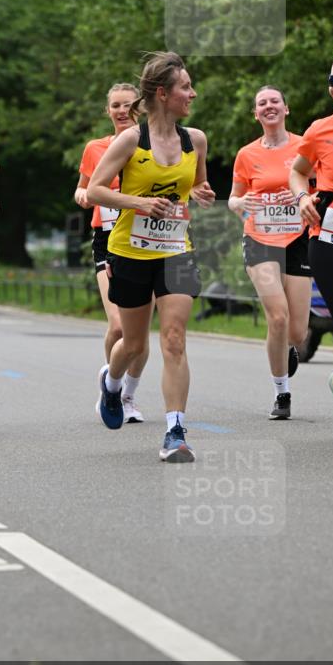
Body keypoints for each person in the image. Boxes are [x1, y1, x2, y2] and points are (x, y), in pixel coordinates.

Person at [87, 52, 215, 462]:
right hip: (129, 250)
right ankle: (111, 382)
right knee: (133, 343)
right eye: (185, 87)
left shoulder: (195, 140)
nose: (192, 93)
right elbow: (95, 190)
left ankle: (175, 431)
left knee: (174, 339)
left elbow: (196, 184)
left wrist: (200, 193)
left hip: (176, 249)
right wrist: (137, 203)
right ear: (163, 93)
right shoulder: (131, 140)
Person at [228, 86, 310, 420]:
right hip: (260, 239)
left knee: (297, 331)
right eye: (262, 103)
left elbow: (320, 184)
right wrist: (239, 204)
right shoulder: (247, 154)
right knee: (277, 316)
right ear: (256, 114)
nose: (269, 106)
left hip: (298, 239)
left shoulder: (305, 146)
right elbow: (234, 198)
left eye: (274, 101)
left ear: (286, 109)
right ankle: (282, 393)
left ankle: (287, 347)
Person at [290, 50, 333, 443]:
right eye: (332, 80)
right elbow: (298, 171)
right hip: (331, 238)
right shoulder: (320, 130)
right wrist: (302, 197)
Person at [75, 83, 149, 423]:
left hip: (144, 239)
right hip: (107, 238)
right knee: (119, 325)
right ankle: (112, 389)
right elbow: (84, 185)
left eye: (128, 105)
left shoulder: (152, 146)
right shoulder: (95, 147)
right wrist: (82, 195)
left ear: (140, 107)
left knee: (140, 331)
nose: (122, 111)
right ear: (108, 111)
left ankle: (128, 396)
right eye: (116, 105)